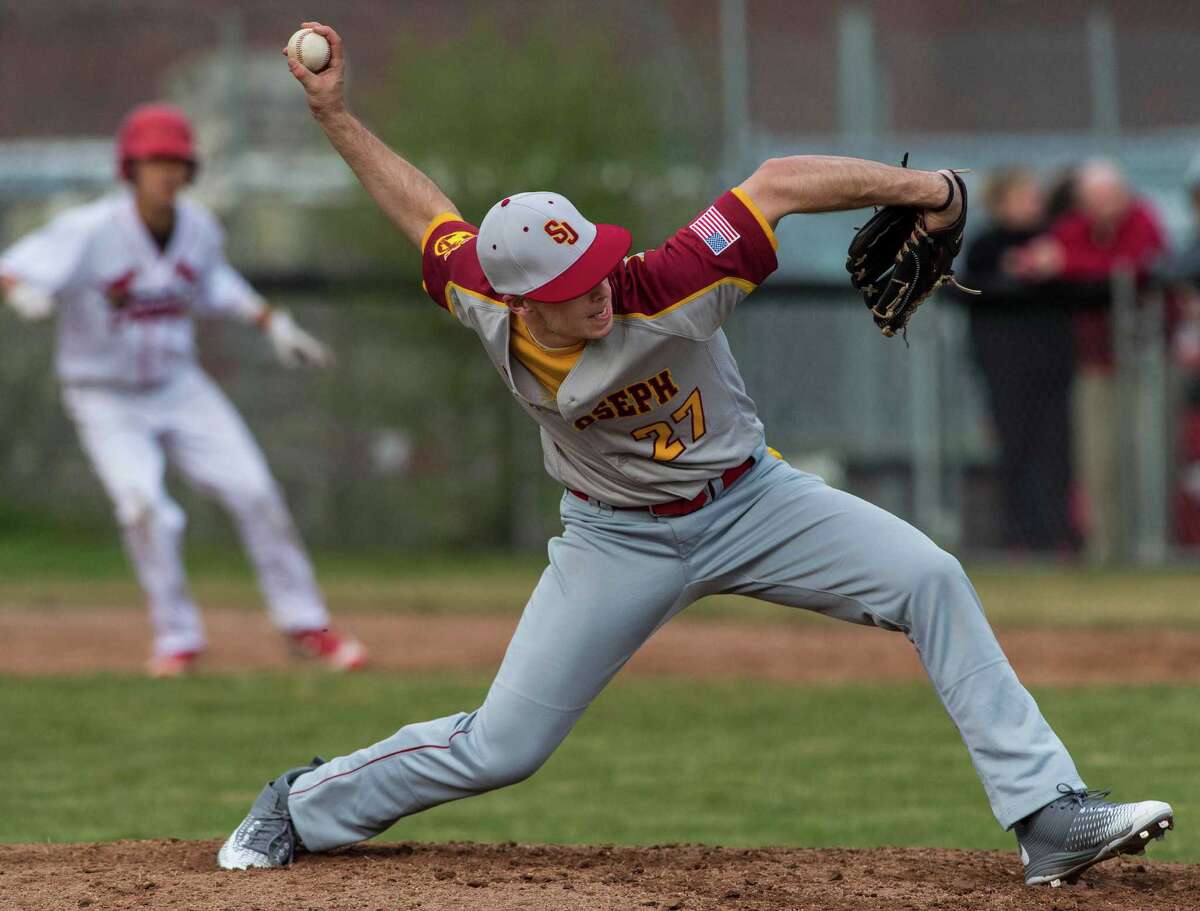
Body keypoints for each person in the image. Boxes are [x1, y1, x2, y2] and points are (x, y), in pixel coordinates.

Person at [218, 24, 1174, 887]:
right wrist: (336, 114)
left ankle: (1048, 814)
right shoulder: (478, 291)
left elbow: (780, 182)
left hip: (754, 502)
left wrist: (934, 191)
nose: (597, 287)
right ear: (516, 296)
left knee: (931, 576)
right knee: (502, 747)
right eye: (570, 281)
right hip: (613, 541)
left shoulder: (668, 282)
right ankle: (298, 805)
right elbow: (420, 208)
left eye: (594, 259)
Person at [0, 103, 367, 677]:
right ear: (130, 167)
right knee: (145, 508)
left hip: (178, 384)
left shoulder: (198, 228)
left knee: (255, 491)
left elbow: (216, 283)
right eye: (156, 161)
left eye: (178, 161)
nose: (168, 172)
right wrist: (22, 293)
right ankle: (178, 637)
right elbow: (13, 267)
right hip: (104, 394)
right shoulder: (90, 229)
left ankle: (304, 623)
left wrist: (272, 322)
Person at [1011, 161, 1168, 563]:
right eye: (1096, 198)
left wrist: (1067, 266)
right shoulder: (1073, 229)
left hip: (1147, 364)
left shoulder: (1143, 220)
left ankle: (1152, 549)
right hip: (1093, 364)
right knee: (1098, 463)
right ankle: (1104, 553)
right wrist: (1063, 265)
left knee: (1148, 458)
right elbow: (1031, 265)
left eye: (1112, 196)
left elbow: (1133, 268)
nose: (1105, 206)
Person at [962, 168, 1075, 552]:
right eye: (1024, 197)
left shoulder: (1055, 241)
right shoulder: (984, 246)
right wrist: (1014, 273)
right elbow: (971, 289)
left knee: (1057, 452)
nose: (1034, 204)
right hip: (1005, 369)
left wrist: (1049, 269)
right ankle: (1017, 539)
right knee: (1014, 451)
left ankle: (1060, 538)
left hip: (1053, 368)